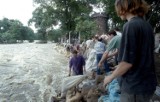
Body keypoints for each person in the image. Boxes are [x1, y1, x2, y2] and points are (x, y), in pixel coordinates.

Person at [103, 0, 157, 102]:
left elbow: (128, 63)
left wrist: (110, 77)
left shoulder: (130, 26)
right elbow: (139, 55)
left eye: (118, 8)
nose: (118, 12)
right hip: (147, 84)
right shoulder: (147, 26)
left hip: (134, 87)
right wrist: (119, 66)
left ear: (124, 7)